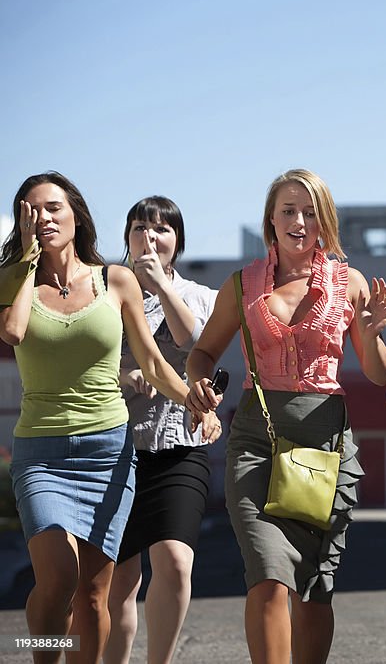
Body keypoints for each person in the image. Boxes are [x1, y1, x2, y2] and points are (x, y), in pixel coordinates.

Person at [0, 172, 218, 664]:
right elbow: (12, 333)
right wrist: (24, 262)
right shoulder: (13, 280)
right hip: (42, 453)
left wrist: (192, 400)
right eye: (31, 212)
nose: (44, 219)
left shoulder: (113, 280)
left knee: (96, 593)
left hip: (108, 452)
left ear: (76, 214)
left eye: (53, 208)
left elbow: (155, 362)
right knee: (57, 580)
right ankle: (43, 650)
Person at [185, 168, 386, 664]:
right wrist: (197, 383)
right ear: (271, 220)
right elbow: (203, 353)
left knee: (316, 589)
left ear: (325, 221)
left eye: (311, 211)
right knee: (267, 573)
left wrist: (370, 333)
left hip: (326, 442)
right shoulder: (242, 285)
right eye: (289, 210)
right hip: (258, 439)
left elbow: (382, 375)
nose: (300, 221)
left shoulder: (352, 283)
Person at [105, 197, 220, 664]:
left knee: (174, 561)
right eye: (139, 228)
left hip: (180, 447)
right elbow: (85, 362)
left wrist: (161, 287)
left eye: (161, 229)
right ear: (127, 238)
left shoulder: (201, 296)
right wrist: (124, 376)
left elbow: (197, 347)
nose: (149, 237)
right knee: (119, 584)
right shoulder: (104, 291)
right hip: (115, 447)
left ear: (178, 240)